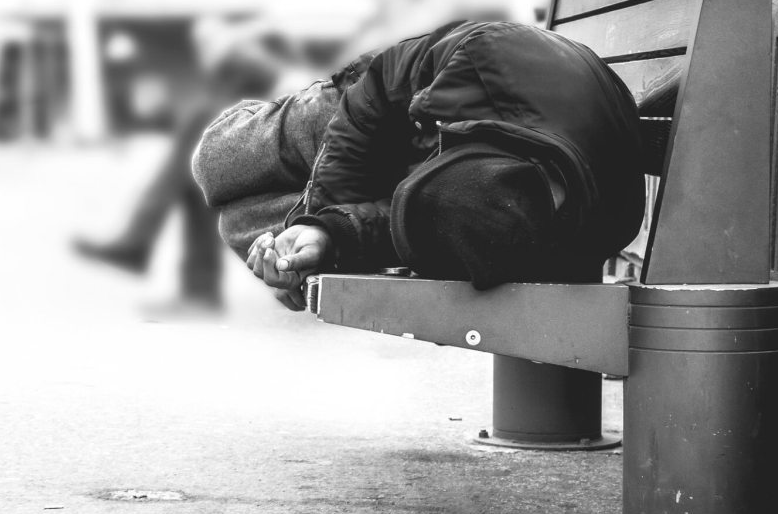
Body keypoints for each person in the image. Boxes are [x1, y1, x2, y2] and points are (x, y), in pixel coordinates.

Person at [192, 20, 645, 310]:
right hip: (387, 113)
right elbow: (381, 82)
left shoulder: (510, 226)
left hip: (441, 162)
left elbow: (417, 226)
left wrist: (327, 239)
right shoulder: (487, 60)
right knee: (215, 161)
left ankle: (298, 239)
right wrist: (325, 209)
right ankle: (258, 117)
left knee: (240, 222)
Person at [73, 39, 281, 313]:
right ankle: (180, 275)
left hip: (277, 144)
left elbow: (260, 74)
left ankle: (140, 243)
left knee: (198, 149)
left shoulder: (269, 54)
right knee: (195, 174)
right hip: (264, 132)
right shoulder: (257, 52)